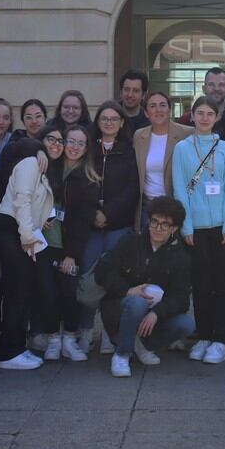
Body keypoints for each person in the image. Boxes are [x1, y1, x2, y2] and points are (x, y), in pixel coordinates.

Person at [0, 125, 65, 370]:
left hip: (22, 232)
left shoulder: (47, 170)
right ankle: (10, 353)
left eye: (60, 141)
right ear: (41, 142)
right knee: (16, 291)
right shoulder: (30, 164)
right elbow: (21, 201)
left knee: (22, 290)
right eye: (51, 139)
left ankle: (17, 347)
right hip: (10, 228)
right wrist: (27, 237)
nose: (56, 144)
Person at [97, 196, 196, 377]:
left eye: (165, 224)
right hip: (119, 308)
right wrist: (128, 290)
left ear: (174, 229)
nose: (158, 228)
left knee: (186, 324)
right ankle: (122, 354)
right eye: (154, 222)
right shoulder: (131, 242)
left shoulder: (180, 257)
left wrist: (156, 313)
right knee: (137, 302)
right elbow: (102, 271)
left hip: (153, 316)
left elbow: (181, 299)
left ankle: (141, 344)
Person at [172, 97, 225, 364]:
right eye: (199, 113)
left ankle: (220, 340)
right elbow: (179, 189)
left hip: (222, 228)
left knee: (222, 285)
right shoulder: (182, 148)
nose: (204, 118)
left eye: (209, 113)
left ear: (217, 117)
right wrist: (186, 226)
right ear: (192, 116)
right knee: (200, 285)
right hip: (195, 228)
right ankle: (204, 336)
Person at [80, 102, 141, 352]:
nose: (108, 123)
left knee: (114, 278)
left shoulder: (129, 151)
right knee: (88, 277)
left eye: (114, 119)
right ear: (97, 122)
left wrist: (109, 213)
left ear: (122, 123)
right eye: (104, 119)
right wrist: (94, 213)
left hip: (118, 225)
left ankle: (109, 330)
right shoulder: (88, 149)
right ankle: (84, 331)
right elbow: (79, 183)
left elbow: (132, 189)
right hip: (90, 225)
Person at [36, 124, 99, 362]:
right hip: (44, 243)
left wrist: (72, 254)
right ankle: (53, 339)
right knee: (48, 291)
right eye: (70, 142)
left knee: (70, 292)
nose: (74, 147)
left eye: (80, 143)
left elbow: (84, 221)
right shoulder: (49, 168)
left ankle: (69, 339)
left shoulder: (88, 178)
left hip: (70, 246)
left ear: (86, 148)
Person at [132, 90, 193, 229]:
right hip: (147, 205)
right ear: (146, 113)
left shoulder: (187, 134)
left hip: (175, 204)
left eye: (162, 105)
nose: (158, 110)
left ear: (170, 110)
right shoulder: (139, 136)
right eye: (152, 106)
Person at [180, 68, 225, 142]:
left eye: (221, 85)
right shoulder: (186, 120)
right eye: (211, 84)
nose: (216, 89)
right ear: (203, 88)